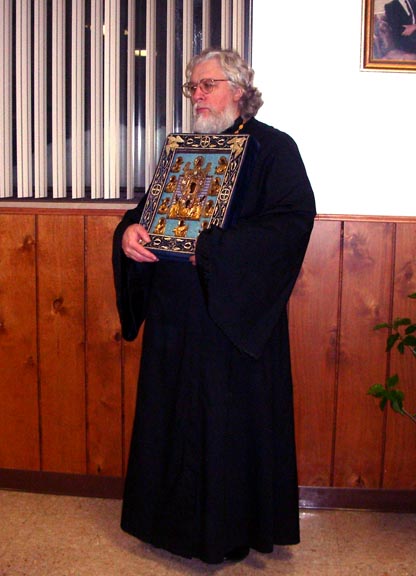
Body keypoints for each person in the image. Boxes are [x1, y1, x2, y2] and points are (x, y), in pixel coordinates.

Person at [112, 48, 316, 565]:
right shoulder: (185, 153)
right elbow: (150, 214)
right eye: (193, 87)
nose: (197, 96)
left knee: (227, 427)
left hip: (233, 321)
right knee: (171, 420)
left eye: (207, 85)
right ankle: (164, 525)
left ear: (239, 90)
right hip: (173, 317)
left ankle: (227, 532)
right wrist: (129, 232)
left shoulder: (273, 150)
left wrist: (213, 249)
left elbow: (290, 223)